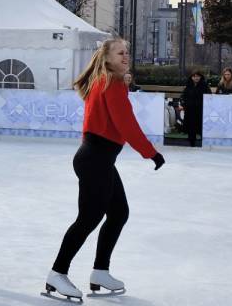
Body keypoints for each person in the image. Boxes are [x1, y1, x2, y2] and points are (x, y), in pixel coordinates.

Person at [44, 39, 165, 301]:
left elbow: (118, 116)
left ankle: (100, 271)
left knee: (119, 212)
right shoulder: (111, 83)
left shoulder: (107, 80)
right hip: (95, 158)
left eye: (127, 53)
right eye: (120, 53)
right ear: (107, 58)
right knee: (88, 218)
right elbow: (126, 124)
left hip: (98, 158)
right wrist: (151, 152)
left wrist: (124, 80)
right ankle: (57, 273)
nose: (126, 56)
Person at [180, 71, 211, 147]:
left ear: (200, 77)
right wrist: (183, 104)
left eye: (197, 76)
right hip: (190, 110)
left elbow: (209, 96)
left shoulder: (205, 86)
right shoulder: (188, 85)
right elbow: (183, 96)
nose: (196, 78)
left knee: (201, 126)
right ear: (191, 77)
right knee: (190, 126)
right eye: (194, 76)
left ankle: (204, 143)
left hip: (201, 110)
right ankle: (191, 141)